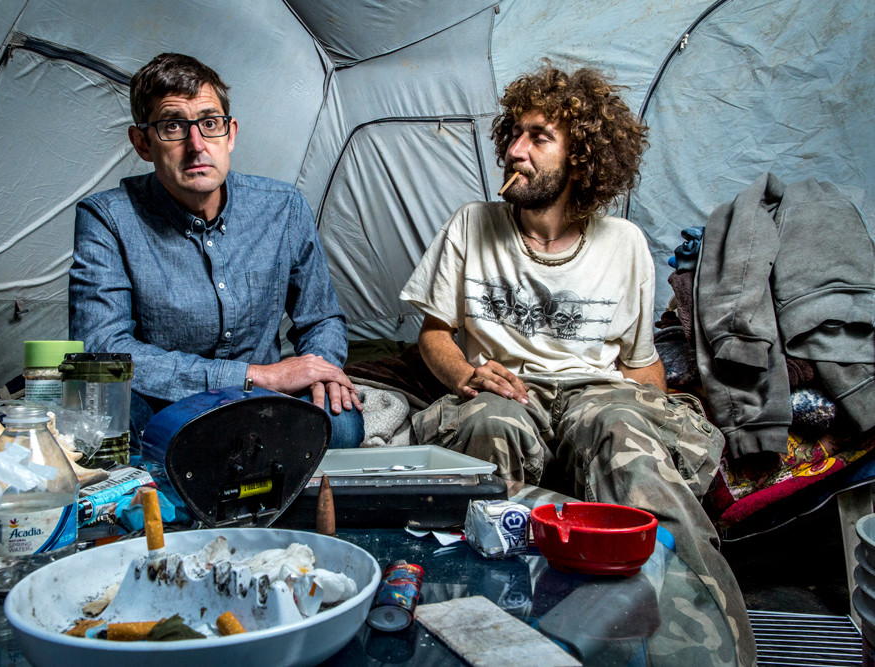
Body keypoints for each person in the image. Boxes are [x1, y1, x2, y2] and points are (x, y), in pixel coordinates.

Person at [400, 63, 755, 666]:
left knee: (621, 436)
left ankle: (703, 648)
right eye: (513, 132)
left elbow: (642, 367)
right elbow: (433, 333)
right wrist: (465, 375)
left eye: (539, 137)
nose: (514, 149)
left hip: (597, 391)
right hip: (508, 391)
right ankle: (485, 636)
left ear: (581, 160)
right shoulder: (472, 224)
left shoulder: (625, 244)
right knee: (490, 425)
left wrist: (651, 419)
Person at [69, 53, 363, 449]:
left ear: (231, 134)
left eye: (210, 124)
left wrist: (320, 369)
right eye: (173, 126)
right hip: (161, 402)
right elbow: (102, 348)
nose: (196, 145)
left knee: (340, 427)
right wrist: (257, 375)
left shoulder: (283, 207)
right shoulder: (108, 217)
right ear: (142, 142)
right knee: (102, 417)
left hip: (262, 402)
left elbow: (322, 318)